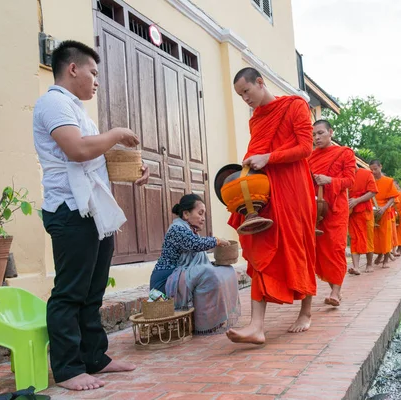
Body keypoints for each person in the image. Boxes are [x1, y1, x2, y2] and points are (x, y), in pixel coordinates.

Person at [33, 40, 149, 391]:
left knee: (93, 290)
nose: (96, 81)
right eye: (93, 72)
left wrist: (130, 169)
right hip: (69, 211)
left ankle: (96, 357)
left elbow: (92, 159)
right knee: (70, 292)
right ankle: (68, 369)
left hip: (93, 210)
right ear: (73, 69)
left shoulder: (76, 110)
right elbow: (78, 150)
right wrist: (114, 134)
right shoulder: (53, 103)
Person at [226, 67, 317, 344]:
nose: (245, 99)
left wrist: (269, 158)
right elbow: (257, 150)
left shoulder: (295, 105)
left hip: (294, 187)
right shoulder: (256, 120)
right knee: (259, 244)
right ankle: (256, 326)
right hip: (265, 190)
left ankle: (306, 311)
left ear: (260, 82)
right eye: (240, 95)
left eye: (247, 91)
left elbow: (305, 148)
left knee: (299, 244)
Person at [150, 194, 240, 334]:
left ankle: (216, 317)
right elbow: (195, 244)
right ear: (186, 214)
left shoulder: (191, 231)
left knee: (226, 270)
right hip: (166, 281)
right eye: (200, 213)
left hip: (181, 275)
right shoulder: (177, 229)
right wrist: (217, 241)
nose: (203, 218)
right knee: (207, 272)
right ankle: (203, 323)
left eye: (204, 214)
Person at [309, 120, 355, 306]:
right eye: (313, 135)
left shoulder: (344, 153)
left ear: (330, 132)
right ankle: (334, 289)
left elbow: (350, 180)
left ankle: (336, 292)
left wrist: (330, 180)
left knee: (335, 248)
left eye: (320, 133)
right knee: (320, 252)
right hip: (316, 209)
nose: (317, 138)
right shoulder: (310, 157)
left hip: (336, 209)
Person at [348, 167, 378, 274]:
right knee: (354, 238)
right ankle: (356, 267)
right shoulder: (344, 174)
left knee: (368, 237)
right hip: (352, 212)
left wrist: (357, 200)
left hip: (365, 211)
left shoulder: (366, 173)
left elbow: (373, 192)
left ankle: (369, 264)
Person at [369, 160, 398, 269]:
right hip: (372, 211)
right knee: (374, 237)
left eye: (375, 169)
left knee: (386, 237)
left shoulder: (388, 181)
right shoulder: (370, 180)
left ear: (380, 166)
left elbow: (393, 197)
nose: (373, 171)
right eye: (371, 169)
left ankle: (386, 260)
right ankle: (378, 255)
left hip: (385, 211)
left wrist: (384, 208)